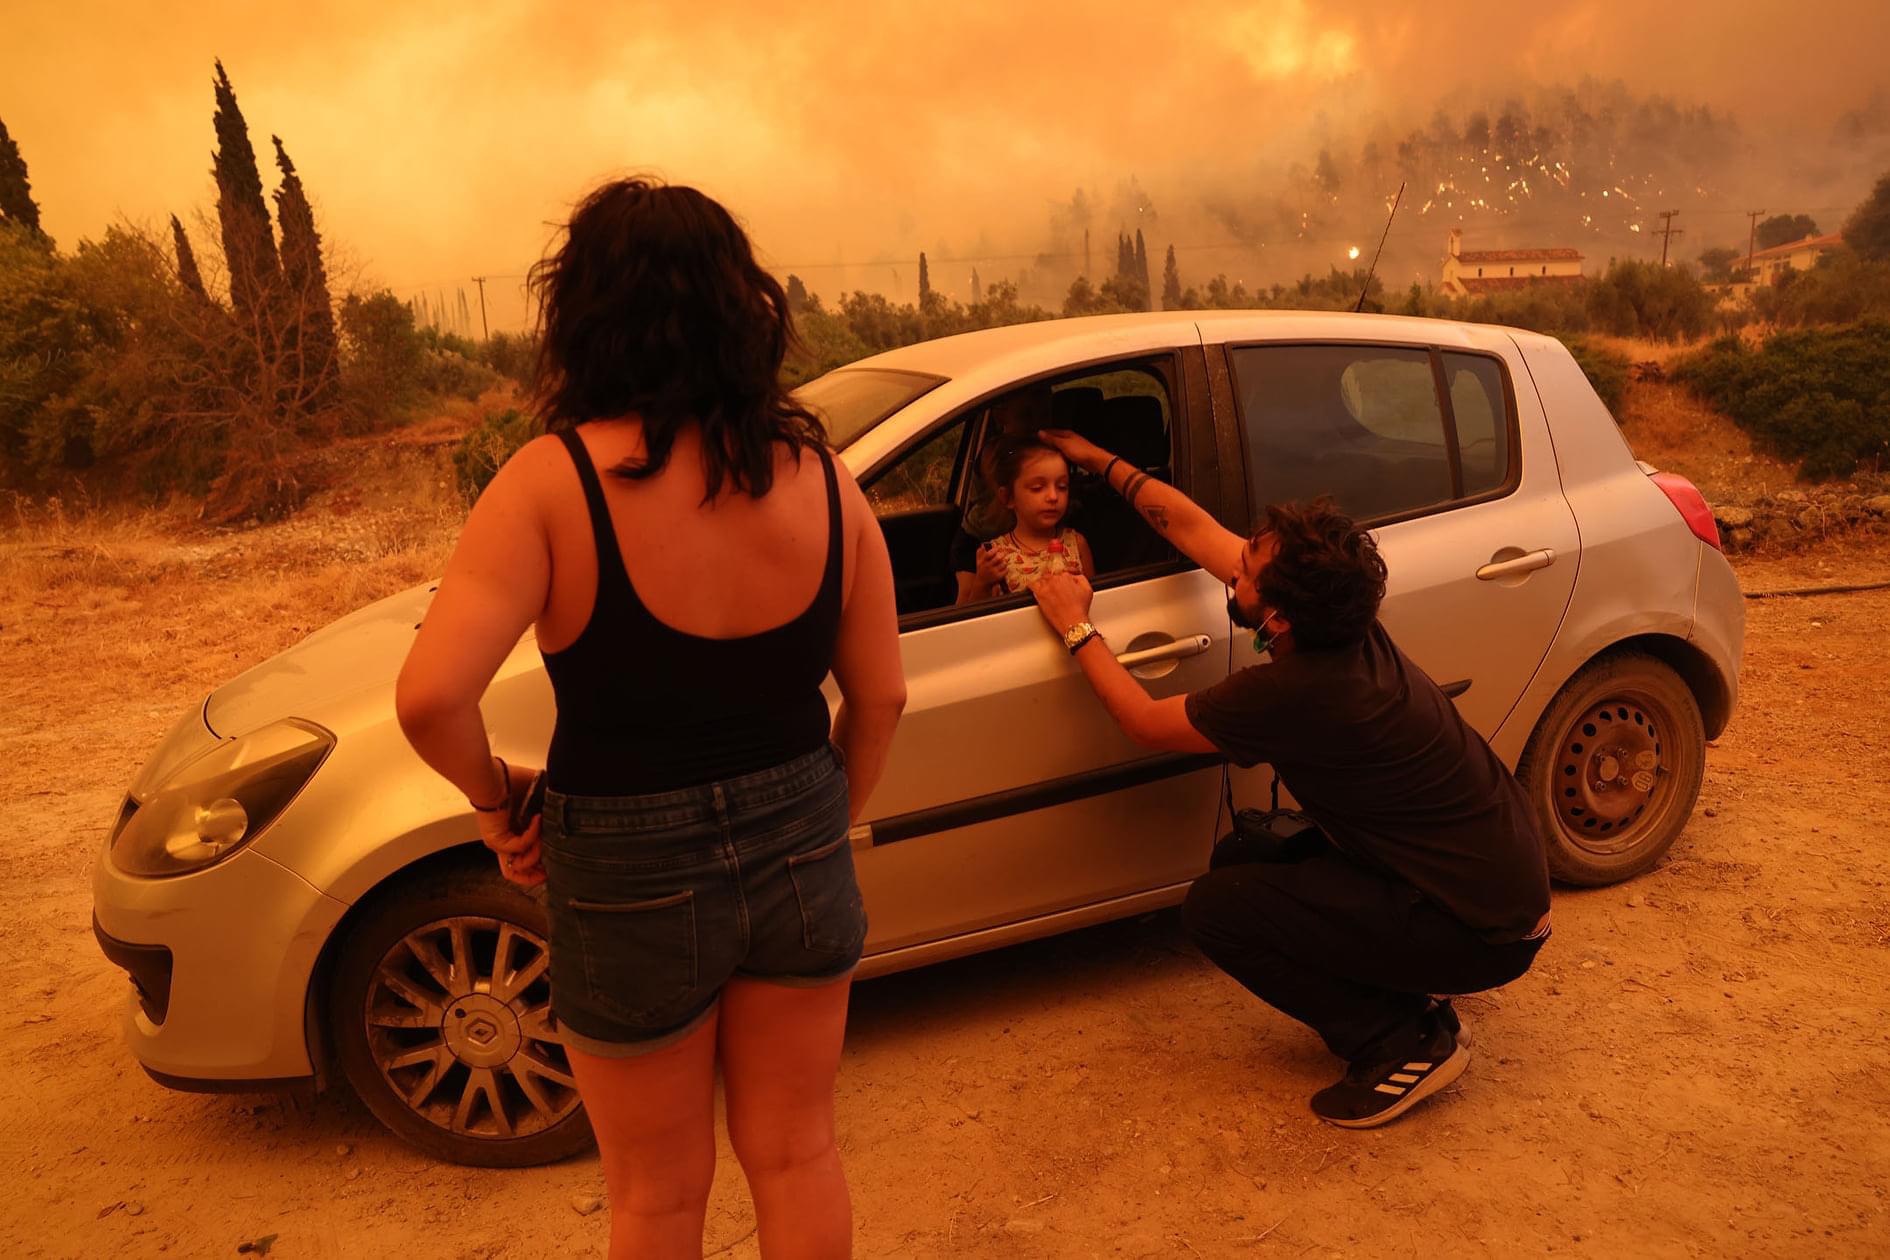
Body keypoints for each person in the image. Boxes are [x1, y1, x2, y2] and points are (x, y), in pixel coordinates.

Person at [394, 179, 906, 1259]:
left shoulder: (549, 484)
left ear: (578, 314)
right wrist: (818, 820)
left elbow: (431, 697)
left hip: (625, 865)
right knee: (800, 1152)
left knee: (659, 1197)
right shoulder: (824, 478)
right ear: (744, 308)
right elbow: (884, 695)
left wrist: (498, 806)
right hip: (801, 839)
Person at [1024, 426, 1550, 1130]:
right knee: (1247, 858)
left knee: (1217, 910)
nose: (1230, 569)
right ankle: (1404, 994)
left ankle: (1398, 1042)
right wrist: (1098, 459)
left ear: (1276, 613)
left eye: (1242, 573)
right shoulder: (1344, 623)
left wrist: (1075, 626)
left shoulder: (1300, 689)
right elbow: (1193, 528)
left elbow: (1145, 724)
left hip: (1481, 931)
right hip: (1486, 888)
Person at [955, 435, 1096, 603]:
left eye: (1062, 487)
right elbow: (971, 618)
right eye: (1037, 488)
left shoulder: (1077, 544)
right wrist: (982, 582)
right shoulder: (996, 555)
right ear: (1008, 497)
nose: (1053, 496)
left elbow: (1097, 600)